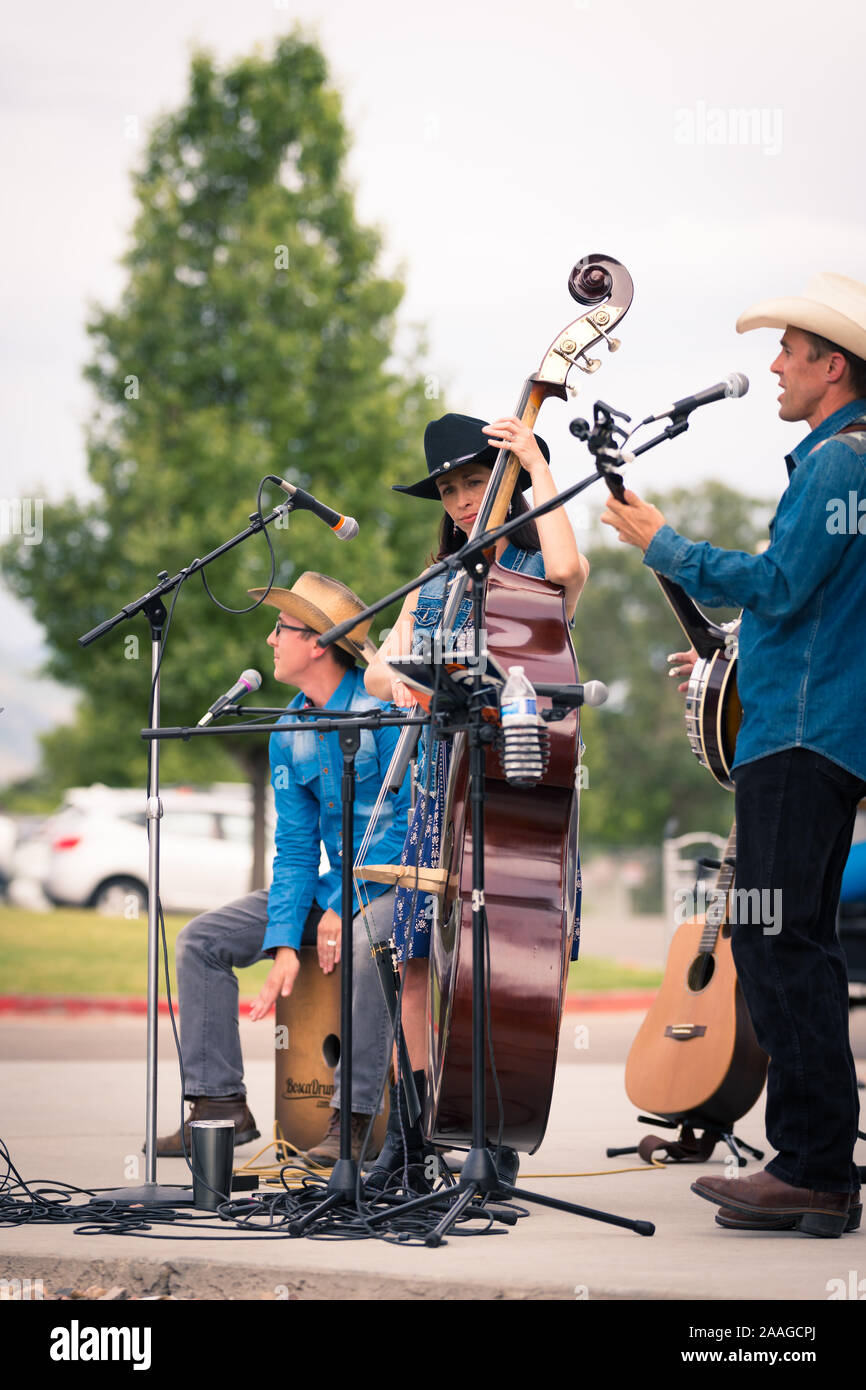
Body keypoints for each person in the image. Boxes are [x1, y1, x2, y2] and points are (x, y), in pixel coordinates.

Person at [601, 272, 866, 1237]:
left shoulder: (840, 464)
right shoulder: (850, 461)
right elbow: (819, 611)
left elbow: (783, 583)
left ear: (831, 367)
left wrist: (663, 542)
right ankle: (817, 1165)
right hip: (816, 730)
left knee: (775, 937)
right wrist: (735, 656)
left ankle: (813, 1167)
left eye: (789, 355)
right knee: (793, 939)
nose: (774, 367)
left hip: (799, 739)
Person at [362, 411, 590, 1188]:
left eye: (475, 482)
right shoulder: (434, 583)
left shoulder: (531, 567)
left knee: (492, 967)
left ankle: (491, 1143)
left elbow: (570, 569)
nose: (463, 499)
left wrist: (538, 464)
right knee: (417, 961)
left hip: (511, 792)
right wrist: (398, 683)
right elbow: (377, 668)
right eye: (452, 489)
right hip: (436, 792)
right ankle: (412, 1137)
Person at [155, 572, 411, 1165]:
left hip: (396, 885)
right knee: (201, 940)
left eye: (281, 628)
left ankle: (352, 1123)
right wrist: (284, 941)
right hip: (332, 890)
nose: (269, 639)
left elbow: (405, 825)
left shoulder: (387, 706)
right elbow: (294, 850)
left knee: (369, 935)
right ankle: (219, 1109)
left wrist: (344, 903)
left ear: (319, 642)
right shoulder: (286, 729)